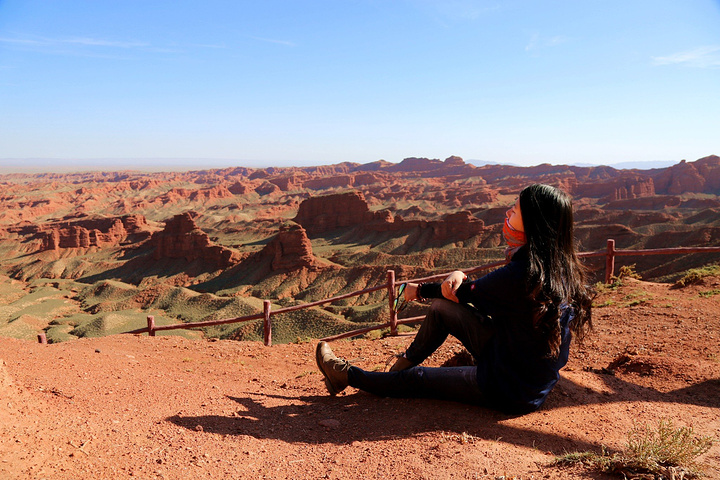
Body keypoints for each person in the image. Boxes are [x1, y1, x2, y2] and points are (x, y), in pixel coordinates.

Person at [315, 184, 593, 414]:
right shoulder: (559, 267)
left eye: (516, 208)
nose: (508, 211)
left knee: (418, 380)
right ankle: (398, 369)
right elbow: (471, 294)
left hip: (508, 388)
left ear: (533, 221)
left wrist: (419, 290)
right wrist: (455, 276)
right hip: (522, 366)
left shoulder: (523, 273)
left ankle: (346, 375)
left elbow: (463, 293)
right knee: (440, 309)